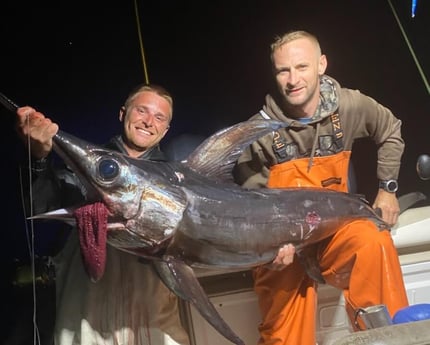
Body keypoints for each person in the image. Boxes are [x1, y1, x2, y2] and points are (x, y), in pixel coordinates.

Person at [233, 30, 409, 345]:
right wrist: (267, 244)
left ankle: (386, 338)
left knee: (374, 241)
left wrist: (388, 187)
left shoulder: (349, 105)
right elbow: (251, 204)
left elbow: (390, 128)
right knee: (283, 333)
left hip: (334, 229)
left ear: (321, 64)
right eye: (283, 70)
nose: (292, 79)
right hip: (283, 242)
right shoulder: (257, 133)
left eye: (301, 67)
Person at [15, 84, 191, 345]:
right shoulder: (85, 169)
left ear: (165, 130)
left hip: (154, 323)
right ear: (123, 114)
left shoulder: (180, 183)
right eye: (141, 110)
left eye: (159, 117)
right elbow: (39, 207)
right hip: (85, 325)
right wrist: (39, 159)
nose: (148, 121)